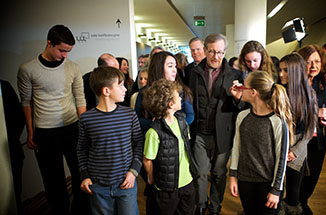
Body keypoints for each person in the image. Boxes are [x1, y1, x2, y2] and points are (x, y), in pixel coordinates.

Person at [17, 24, 89, 214]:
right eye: (62, 50)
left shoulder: (73, 67)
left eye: (68, 51)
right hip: (45, 131)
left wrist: (85, 128)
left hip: (72, 126)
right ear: (49, 43)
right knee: (53, 179)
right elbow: (26, 102)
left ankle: (80, 210)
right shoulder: (27, 69)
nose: (65, 55)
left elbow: (80, 98)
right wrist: (31, 131)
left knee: (80, 173)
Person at [188, 33, 244, 215]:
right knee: (201, 173)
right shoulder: (193, 73)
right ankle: (201, 204)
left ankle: (215, 206)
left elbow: (243, 106)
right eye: (211, 52)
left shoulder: (235, 75)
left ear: (225, 51)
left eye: (220, 52)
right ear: (205, 50)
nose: (215, 56)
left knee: (219, 174)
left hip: (223, 134)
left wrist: (238, 99)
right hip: (200, 133)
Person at [77, 66, 144, 215]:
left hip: (126, 183)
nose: (125, 89)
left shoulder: (129, 114)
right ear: (106, 91)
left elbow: (139, 143)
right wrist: (85, 176)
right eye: (120, 85)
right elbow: (82, 149)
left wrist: (134, 171)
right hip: (98, 186)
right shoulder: (86, 119)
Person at [229, 71, 292, 215]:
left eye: (243, 86)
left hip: (268, 184)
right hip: (245, 181)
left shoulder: (277, 121)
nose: (240, 88)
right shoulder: (242, 116)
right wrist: (232, 176)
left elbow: (281, 159)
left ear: (253, 93)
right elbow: (236, 148)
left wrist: (276, 190)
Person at [142, 79, 195, 215]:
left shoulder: (183, 123)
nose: (181, 98)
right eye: (178, 96)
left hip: (187, 183)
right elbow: (147, 160)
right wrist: (152, 178)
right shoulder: (153, 132)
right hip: (166, 189)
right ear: (170, 104)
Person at [297, 45, 326, 215]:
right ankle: (297, 205)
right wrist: (315, 112)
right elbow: (290, 110)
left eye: (317, 61)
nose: (314, 66)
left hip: (318, 137)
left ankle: (302, 202)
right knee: (296, 179)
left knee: (312, 177)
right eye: (308, 62)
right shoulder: (292, 83)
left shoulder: (325, 81)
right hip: (297, 138)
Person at [277, 53, 319, 215]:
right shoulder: (277, 92)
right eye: (280, 70)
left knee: (294, 195)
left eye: (286, 70)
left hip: (298, 151)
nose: (281, 74)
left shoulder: (310, 95)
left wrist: (295, 151)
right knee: (276, 192)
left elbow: (310, 129)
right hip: (278, 148)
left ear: (295, 71)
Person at [1, 79, 25, 214]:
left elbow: (17, 117)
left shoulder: (3, 87)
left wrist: (10, 140)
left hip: (10, 150)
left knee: (14, 193)